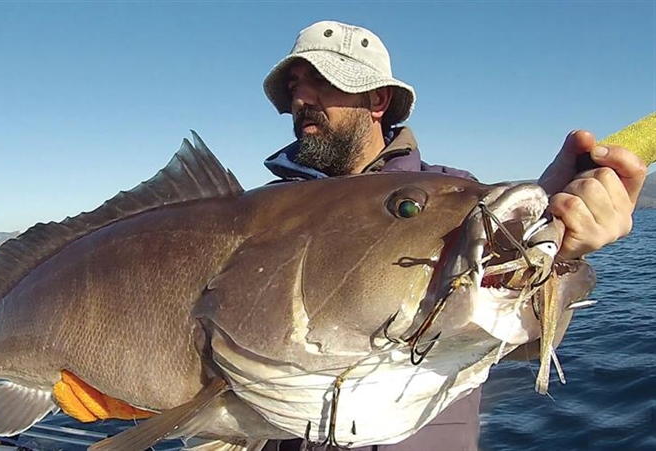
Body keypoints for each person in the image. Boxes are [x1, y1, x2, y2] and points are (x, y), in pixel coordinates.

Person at [260, 20, 646, 451]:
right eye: (295, 84)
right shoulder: (263, 215)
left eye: (322, 81)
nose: (300, 98)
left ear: (377, 99)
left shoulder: (457, 199)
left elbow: (522, 344)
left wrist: (555, 252)